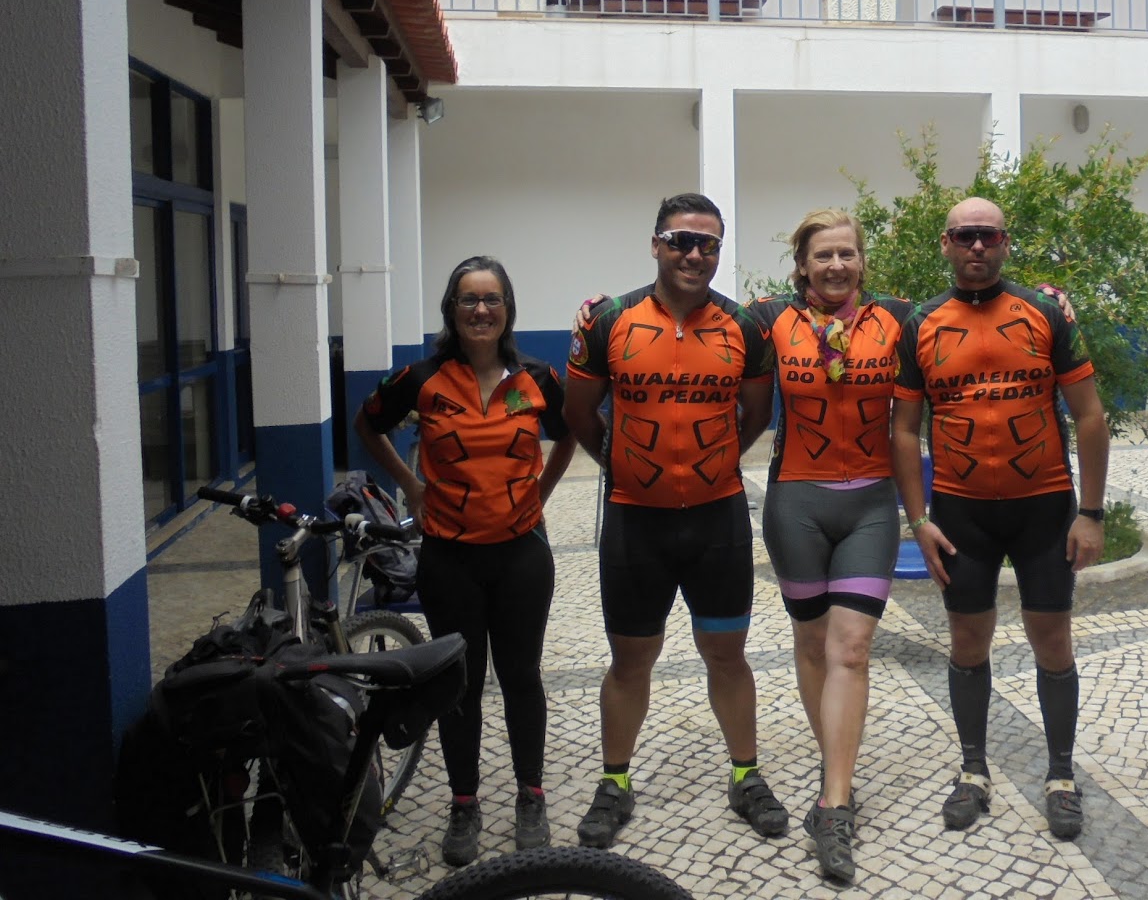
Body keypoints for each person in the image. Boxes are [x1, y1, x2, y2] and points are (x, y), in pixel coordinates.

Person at [564, 193, 789, 850]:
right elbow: (579, 413)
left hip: (718, 519)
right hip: (636, 522)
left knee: (727, 654)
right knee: (631, 659)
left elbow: (756, 414)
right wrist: (625, 465)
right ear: (656, 244)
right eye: (680, 240)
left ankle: (745, 774)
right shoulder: (610, 320)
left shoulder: (743, 328)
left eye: (707, 243)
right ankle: (615, 781)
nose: (694, 253)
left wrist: (710, 463)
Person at [890, 197, 1110, 842]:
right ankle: (973, 770)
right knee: (967, 642)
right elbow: (903, 430)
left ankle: (1061, 775)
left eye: (988, 236)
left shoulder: (1044, 313)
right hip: (962, 512)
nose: (977, 247)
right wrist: (917, 519)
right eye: (965, 236)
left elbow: (1090, 415)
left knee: (1053, 641)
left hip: (1043, 507)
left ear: (1006, 242)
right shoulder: (921, 322)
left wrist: (1091, 513)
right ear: (946, 244)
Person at [354, 255, 575, 866]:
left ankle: (530, 794)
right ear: (451, 310)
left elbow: (571, 434)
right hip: (450, 557)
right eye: (469, 299)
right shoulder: (421, 377)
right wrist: (411, 486)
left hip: (522, 555)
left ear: (508, 309)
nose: (481, 310)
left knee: (522, 676)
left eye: (492, 299)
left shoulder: (537, 377)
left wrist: (541, 493)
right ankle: (463, 802)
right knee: (460, 684)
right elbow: (367, 425)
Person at [745, 208, 912, 884]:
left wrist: (1045, 297)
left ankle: (834, 803)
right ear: (802, 265)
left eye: (847, 253)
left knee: (852, 649)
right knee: (813, 644)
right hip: (797, 504)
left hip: (871, 505)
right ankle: (833, 761)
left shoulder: (898, 319)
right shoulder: (769, 320)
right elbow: (694, 317)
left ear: (862, 260)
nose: (836, 265)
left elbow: (967, 310)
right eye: (823, 256)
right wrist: (604, 310)